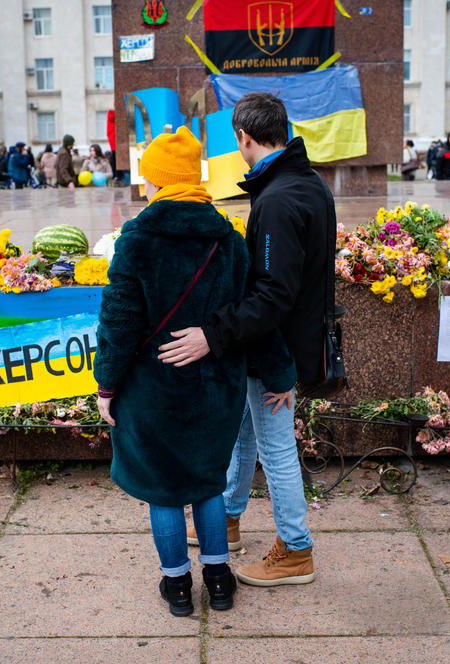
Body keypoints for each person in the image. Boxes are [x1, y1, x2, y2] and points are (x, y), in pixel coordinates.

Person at [94, 126, 294, 617]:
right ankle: (220, 581)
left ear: (157, 182)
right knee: (207, 481)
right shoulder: (227, 234)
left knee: (162, 489)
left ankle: (178, 588)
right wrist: (279, 374)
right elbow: (255, 312)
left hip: (152, 389)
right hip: (215, 388)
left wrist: (107, 384)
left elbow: (119, 321)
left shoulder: (137, 237)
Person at [158, 92, 335, 586]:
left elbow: (273, 295)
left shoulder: (278, 199)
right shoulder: (305, 182)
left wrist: (212, 335)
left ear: (244, 137)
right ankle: (230, 518)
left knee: (276, 449)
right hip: (282, 344)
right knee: (244, 433)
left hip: (275, 350)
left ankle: (296, 549)